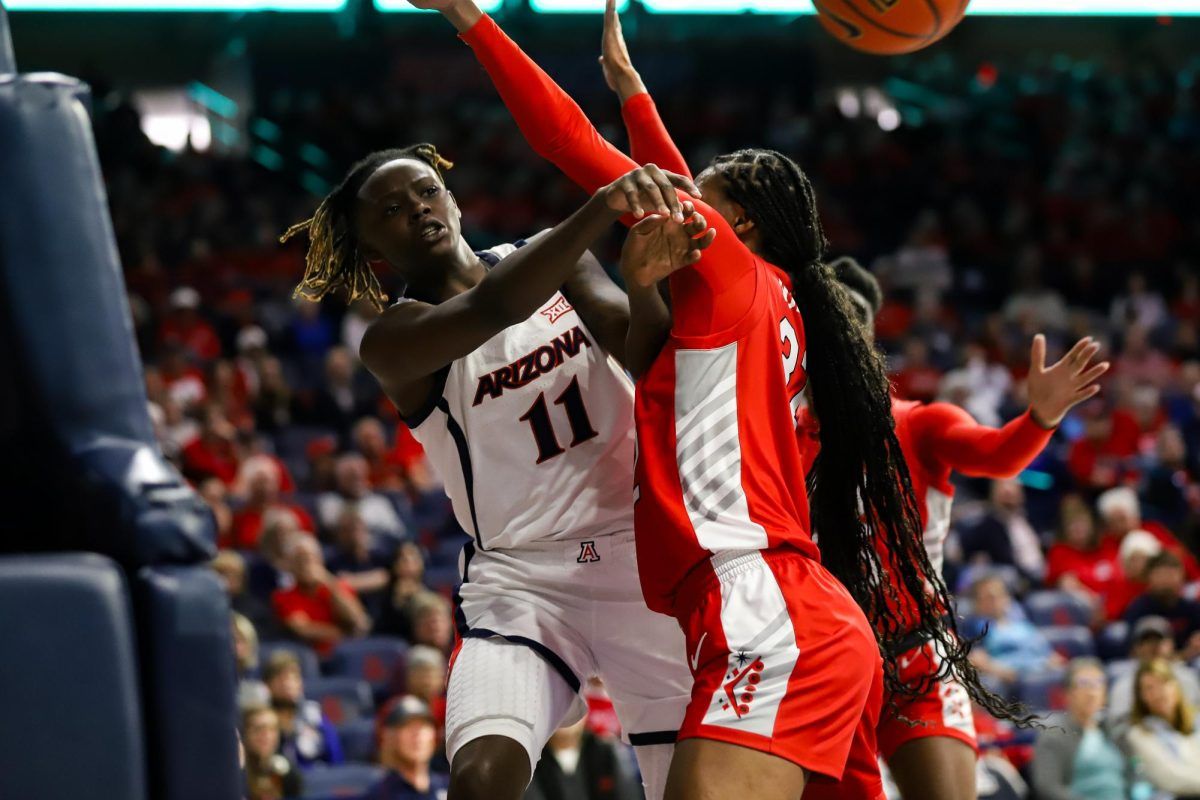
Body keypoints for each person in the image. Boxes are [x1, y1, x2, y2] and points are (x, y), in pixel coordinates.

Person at [425, 2, 1025, 797]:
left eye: (695, 195)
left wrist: (471, 19)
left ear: (728, 223)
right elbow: (664, 168)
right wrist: (634, 92)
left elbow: (567, 143)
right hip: (788, 611)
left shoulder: (730, 273)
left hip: (764, 605)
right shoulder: (766, 298)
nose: (674, 195)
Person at [279, 128, 707, 797]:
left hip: (644, 553)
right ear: (370, 246)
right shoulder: (393, 340)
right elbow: (496, 306)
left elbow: (644, 354)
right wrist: (603, 203)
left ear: (451, 200)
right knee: (481, 778)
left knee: (697, 785)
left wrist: (645, 284)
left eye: (426, 192)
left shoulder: (553, 257)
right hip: (523, 581)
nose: (416, 208)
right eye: (391, 209)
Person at [811, 255, 1103, 799]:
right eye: (823, 318)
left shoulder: (923, 420)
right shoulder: (785, 426)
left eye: (847, 318)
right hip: (822, 659)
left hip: (915, 652)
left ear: (868, 334)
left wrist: (1039, 418)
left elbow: (996, 454)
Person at [1031, 658, 1129, 800]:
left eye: (1098, 683)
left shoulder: (1112, 729)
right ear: (1068, 693)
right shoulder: (1053, 735)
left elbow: (1134, 771)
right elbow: (1047, 787)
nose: (1092, 692)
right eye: (1084, 684)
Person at [271, 536, 371, 658]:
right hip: (311, 657)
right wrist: (345, 634)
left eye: (309, 559)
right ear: (291, 565)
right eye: (299, 560)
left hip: (348, 653)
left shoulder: (338, 586)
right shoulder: (283, 596)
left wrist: (328, 583)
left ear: (320, 560)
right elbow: (304, 630)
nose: (305, 565)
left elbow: (358, 620)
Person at [1107, 616, 1200, 740]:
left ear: (1171, 644)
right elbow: (1119, 731)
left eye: (1159, 640)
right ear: (1136, 648)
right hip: (1144, 744)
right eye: (1147, 641)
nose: (1153, 647)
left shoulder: (1187, 678)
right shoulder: (1124, 686)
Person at [968, 573, 1064, 688]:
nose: (994, 601)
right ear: (977, 603)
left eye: (999, 595)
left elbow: (1050, 656)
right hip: (1012, 683)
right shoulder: (975, 627)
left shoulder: (1024, 626)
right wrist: (1007, 674)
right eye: (988, 597)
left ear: (1007, 598)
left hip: (1040, 674)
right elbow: (976, 660)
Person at [1126, 658, 1200, 798]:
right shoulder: (1139, 733)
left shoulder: (1196, 721)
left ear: (1176, 686)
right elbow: (1170, 778)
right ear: (1141, 697)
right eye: (1149, 688)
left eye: (1163, 683)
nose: (1158, 693)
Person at [263, 650, 345, 767]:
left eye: (294, 678)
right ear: (267, 685)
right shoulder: (261, 720)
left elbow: (336, 760)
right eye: (282, 678)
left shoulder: (314, 716)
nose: (288, 684)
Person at [524, 718, 641, 800]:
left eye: (572, 706)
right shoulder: (529, 761)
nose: (567, 716)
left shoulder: (606, 753)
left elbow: (629, 794)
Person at [369, 696, 450, 800]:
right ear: (389, 737)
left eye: (423, 726)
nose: (417, 734)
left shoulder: (450, 787)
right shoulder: (379, 794)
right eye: (407, 726)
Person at [1124, 551, 1200, 660]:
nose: (1165, 580)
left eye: (1170, 574)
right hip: (1147, 665)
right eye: (1160, 575)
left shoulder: (1192, 608)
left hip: (1186, 661)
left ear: (1181, 576)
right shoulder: (1139, 608)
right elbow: (1133, 650)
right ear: (1149, 577)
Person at [316, 454, 407, 541]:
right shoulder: (329, 501)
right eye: (351, 476)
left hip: (380, 551)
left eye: (359, 475)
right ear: (340, 479)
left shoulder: (379, 502)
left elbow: (397, 533)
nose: (356, 479)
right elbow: (332, 526)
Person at [242, 704, 304, 800]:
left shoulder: (287, 774)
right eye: (259, 729)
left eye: (272, 729)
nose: (267, 735)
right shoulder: (237, 776)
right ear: (244, 733)